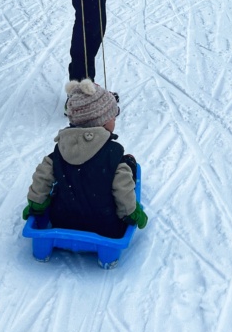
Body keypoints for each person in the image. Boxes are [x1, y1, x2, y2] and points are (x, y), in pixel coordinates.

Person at [22, 79, 148, 238]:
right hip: (105, 227)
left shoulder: (60, 150)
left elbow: (42, 178)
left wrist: (36, 205)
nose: (115, 119)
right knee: (129, 166)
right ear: (101, 121)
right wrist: (132, 213)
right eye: (112, 116)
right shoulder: (114, 156)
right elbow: (123, 191)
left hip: (61, 221)